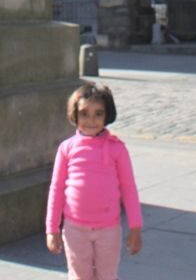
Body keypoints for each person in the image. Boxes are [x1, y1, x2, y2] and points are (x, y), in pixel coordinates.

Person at [46, 82, 143, 279]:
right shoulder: (67, 148)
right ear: (75, 115)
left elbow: (128, 189)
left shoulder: (117, 149)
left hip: (108, 228)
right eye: (84, 113)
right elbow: (56, 189)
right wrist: (52, 228)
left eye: (98, 114)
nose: (91, 120)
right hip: (75, 228)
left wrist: (135, 227)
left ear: (107, 115)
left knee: (107, 275)